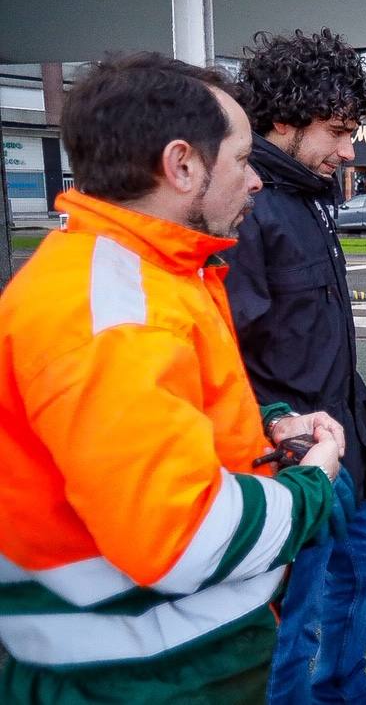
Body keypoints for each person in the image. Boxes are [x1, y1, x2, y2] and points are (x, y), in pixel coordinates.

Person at [0, 53, 343, 703]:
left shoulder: (143, 274)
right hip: (140, 676)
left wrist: (270, 420)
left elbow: (174, 415)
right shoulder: (115, 312)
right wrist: (311, 485)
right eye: (242, 160)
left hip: (142, 658)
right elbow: (185, 534)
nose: (257, 182)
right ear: (182, 165)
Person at [227, 29, 366, 705]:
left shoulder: (308, 196)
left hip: (347, 449)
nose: (349, 149)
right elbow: (226, 352)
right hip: (292, 461)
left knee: (361, 571)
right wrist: (279, 439)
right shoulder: (251, 206)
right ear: (284, 119)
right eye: (337, 130)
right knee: (291, 626)